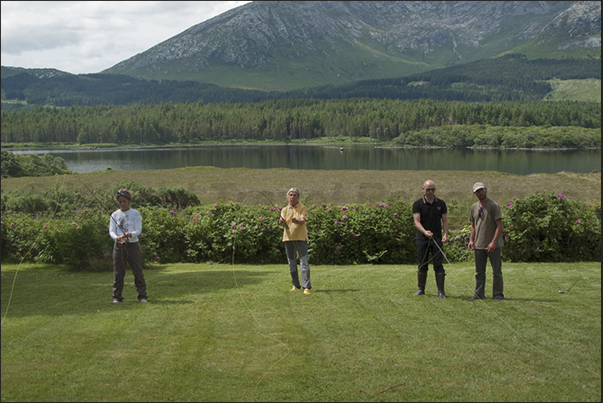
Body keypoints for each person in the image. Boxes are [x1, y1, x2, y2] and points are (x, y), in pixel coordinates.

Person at [109, 189, 148, 303]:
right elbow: (111, 231)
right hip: (119, 246)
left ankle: (142, 296)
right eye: (120, 202)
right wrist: (117, 238)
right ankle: (116, 296)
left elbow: (138, 230)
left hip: (133, 245)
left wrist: (130, 235)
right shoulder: (114, 215)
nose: (122, 204)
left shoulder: (135, 213)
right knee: (118, 272)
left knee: (137, 271)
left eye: (124, 201)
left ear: (129, 201)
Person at [412, 180, 449, 298]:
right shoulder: (417, 204)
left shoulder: (441, 204)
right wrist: (425, 232)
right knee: (422, 264)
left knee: (438, 264)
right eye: (428, 189)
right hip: (422, 239)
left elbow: (445, 220)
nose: (431, 191)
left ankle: (441, 291)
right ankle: (421, 289)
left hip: (437, 238)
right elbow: (416, 222)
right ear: (423, 189)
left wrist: (446, 235)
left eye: (433, 189)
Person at [468, 182, 504, 301]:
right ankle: (479, 294)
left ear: (486, 189)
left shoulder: (493, 205)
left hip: (493, 245)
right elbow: (473, 225)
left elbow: (500, 225)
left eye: (481, 190)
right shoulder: (474, 207)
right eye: (477, 191)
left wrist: (494, 242)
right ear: (474, 193)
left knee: (497, 272)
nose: (480, 192)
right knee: (479, 272)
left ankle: (498, 295)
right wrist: (471, 240)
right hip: (479, 244)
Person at [279, 187, 312, 295]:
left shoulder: (303, 208)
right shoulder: (284, 210)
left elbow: (303, 221)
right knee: (291, 263)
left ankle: (306, 287)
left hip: (301, 238)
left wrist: (297, 221)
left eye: (295, 195)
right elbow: (280, 224)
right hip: (288, 239)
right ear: (288, 196)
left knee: (304, 263)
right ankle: (296, 285)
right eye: (291, 195)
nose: (292, 197)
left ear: (298, 197)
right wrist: (281, 221)